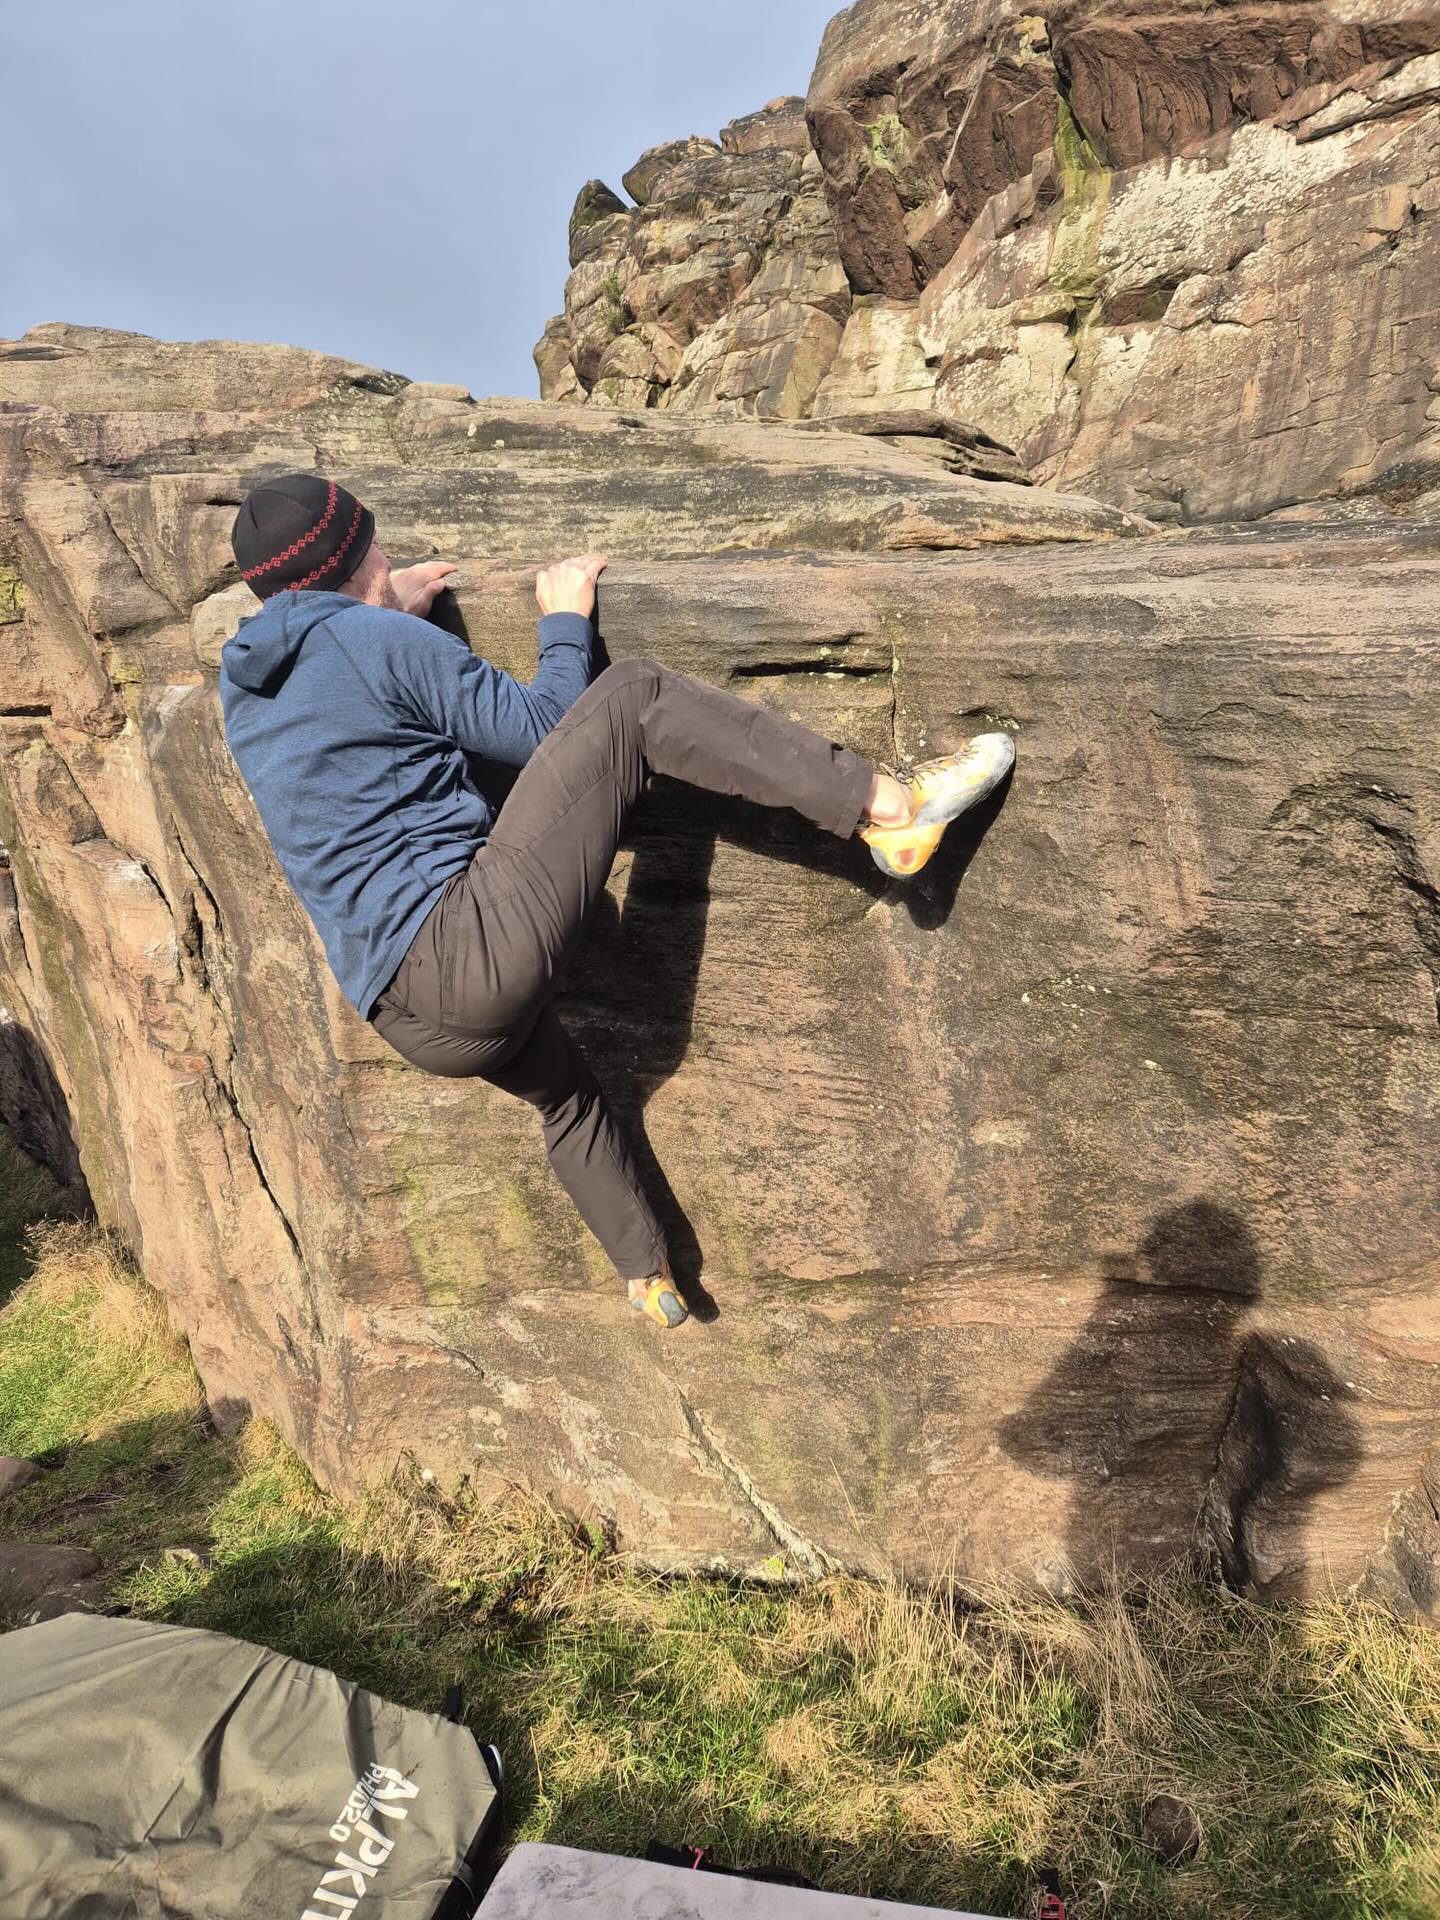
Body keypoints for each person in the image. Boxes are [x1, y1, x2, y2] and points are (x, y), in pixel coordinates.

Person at [220, 474, 1014, 1330]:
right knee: (634, 695)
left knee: (567, 1098)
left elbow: (341, 693)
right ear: (356, 553)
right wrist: (563, 624)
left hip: (403, 1012)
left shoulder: (248, 683)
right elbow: (547, 728)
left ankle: (645, 1273)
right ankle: (889, 809)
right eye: (373, 543)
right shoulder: (373, 642)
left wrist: (383, 614)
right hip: (469, 946)